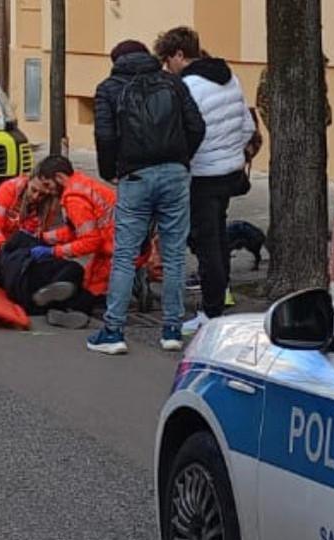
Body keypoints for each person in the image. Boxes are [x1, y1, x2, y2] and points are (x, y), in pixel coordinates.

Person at [86, 39, 205, 355]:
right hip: (174, 173)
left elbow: (105, 135)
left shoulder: (108, 88)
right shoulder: (172, 82)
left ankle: (113, 332)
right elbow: (196, 126)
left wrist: (110, 170)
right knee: (175, 253)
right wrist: (181, 159)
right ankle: (171, 331)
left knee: (124, 254)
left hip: (135, 176)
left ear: (117, 61)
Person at [155, 27, 255, 336]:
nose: (165, 67)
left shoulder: (187, 87)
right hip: (229, 172)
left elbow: (180, 133)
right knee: (218, 237)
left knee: (206, 242)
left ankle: (211, 312)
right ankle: (218, 298)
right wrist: (230, 153)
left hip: (202, 175)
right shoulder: (230, 78)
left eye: (166, 59)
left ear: (180, 56)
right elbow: (247, 127)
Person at [29, 155, 118, 327]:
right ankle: (69, 301)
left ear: (60, 178)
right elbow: (76, 230)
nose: (47, 191)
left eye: (48, 184)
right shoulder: (82, 183)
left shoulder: (74, 200)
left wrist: (54, 251)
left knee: (91, 286)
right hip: (120, 242)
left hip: (117, 250)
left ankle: (75, 310)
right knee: (88, 280)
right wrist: (46, 238)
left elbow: (90, 241)